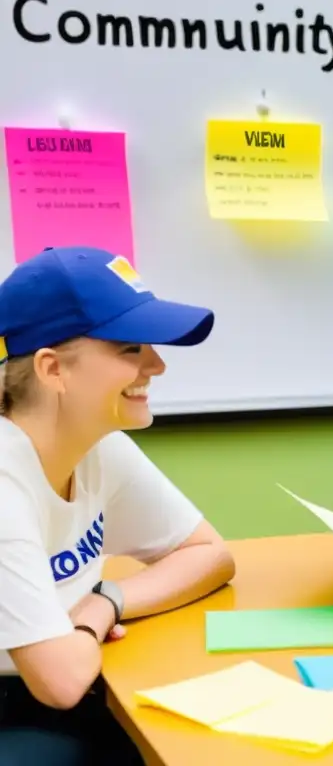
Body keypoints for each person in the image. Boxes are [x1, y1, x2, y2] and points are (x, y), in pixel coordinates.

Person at [0, 247, 237, 763]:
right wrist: (88, 626)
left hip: (70, 682)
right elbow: (58, 681)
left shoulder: (96, 443)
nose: (157, 364)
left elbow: (210, 554)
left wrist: (105, 600)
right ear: (52, 369)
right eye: (130, 347)